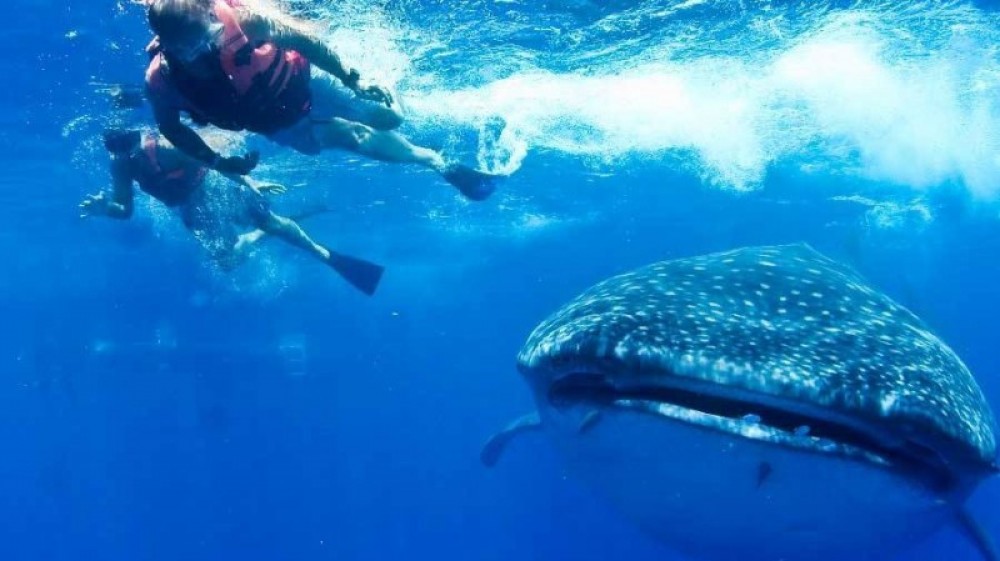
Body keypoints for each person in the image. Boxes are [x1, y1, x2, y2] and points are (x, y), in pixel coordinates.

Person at [143, 0, 502, 201]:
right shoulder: (162, 81)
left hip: (306, 82)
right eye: (184, 48)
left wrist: (353, 79)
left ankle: (390, 111)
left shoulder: (244, 22)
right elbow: (171, 129)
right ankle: (439, 163)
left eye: (206, 37)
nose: (198, 52)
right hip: (282, 125)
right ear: (164, 42)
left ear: (212, 18)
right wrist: (218, 162)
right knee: (352, 138)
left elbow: (305, 42)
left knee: (390, 117)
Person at [80, 128, 384, 295]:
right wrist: (104, 208)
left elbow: (215, 161)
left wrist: (251, 183)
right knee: (226, 262)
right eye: (116, 151)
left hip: (216, 187)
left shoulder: (167, 149)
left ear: (137, 142)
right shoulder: (121, 164)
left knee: (273, 223)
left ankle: (322, 254)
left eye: (125, 149)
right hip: (190, 208)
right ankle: (259, 234)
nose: (122, 156)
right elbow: (124, 210)